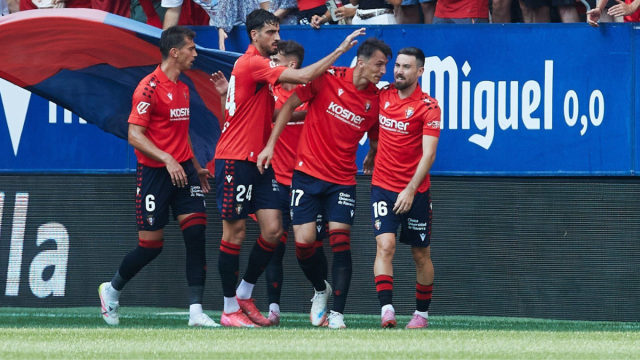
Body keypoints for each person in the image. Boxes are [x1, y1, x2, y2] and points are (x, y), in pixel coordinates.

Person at [211, 9, 365, 328]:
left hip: (258, 160)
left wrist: (316, 116)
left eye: (278, 31)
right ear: (254, 35)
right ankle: (228, 309)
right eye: (270, 32)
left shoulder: (257, 69)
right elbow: (306, 78)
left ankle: (244, 292)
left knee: (273, 230)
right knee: (235, 232)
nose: (277, 38)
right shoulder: (252, 62)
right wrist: (339, 51)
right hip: (235, 158)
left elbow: (274, 114)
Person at [257, 37, 391, 329]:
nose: (383, 71)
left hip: (342, 180)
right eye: (379, 64)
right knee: (304, 244)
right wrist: (270, 145)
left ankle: (338, 315)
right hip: (306, 174)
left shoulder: (376, 100)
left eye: (386, 66)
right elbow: (291, 104)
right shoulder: (328, 78)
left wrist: (370, 153)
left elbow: (377, 134)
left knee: (341, 242)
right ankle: (321, 289)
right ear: (362, 61)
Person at [98, 26, 218, 328]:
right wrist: (166, 159)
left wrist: (194, 164)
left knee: (196, 235)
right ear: (174, 52)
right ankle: (111, 290)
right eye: (191, 48)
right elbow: (134, 134)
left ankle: (196, 312)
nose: (195, 53)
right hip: (155, 175)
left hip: (185, 173)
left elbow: (181, 132)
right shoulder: (148, 88)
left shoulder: (184, 87)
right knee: (151, 246)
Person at [369, 47, 440, 329]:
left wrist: (410, 189)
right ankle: (387, 310)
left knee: (420, 254)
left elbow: (429, 155)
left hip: (415, 192)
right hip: (382, 186)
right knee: (385, 246)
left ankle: (421, 314)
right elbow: (371, 126)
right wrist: (372, 152)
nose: (399, 71)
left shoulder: (429, 106)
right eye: (397, 65)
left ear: (419, 72)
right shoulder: (382, 94)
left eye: (406, 67)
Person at [263, 40, 329, 326]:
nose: (270, 63)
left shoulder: (312, 93)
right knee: (274, 242)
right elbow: (266, 118)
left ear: (290, 65)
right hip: (277, 179)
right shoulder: (269, 91)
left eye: (275, 59)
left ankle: (321, 294)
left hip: (309, 181)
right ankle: (273, 309)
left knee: (313, 245)